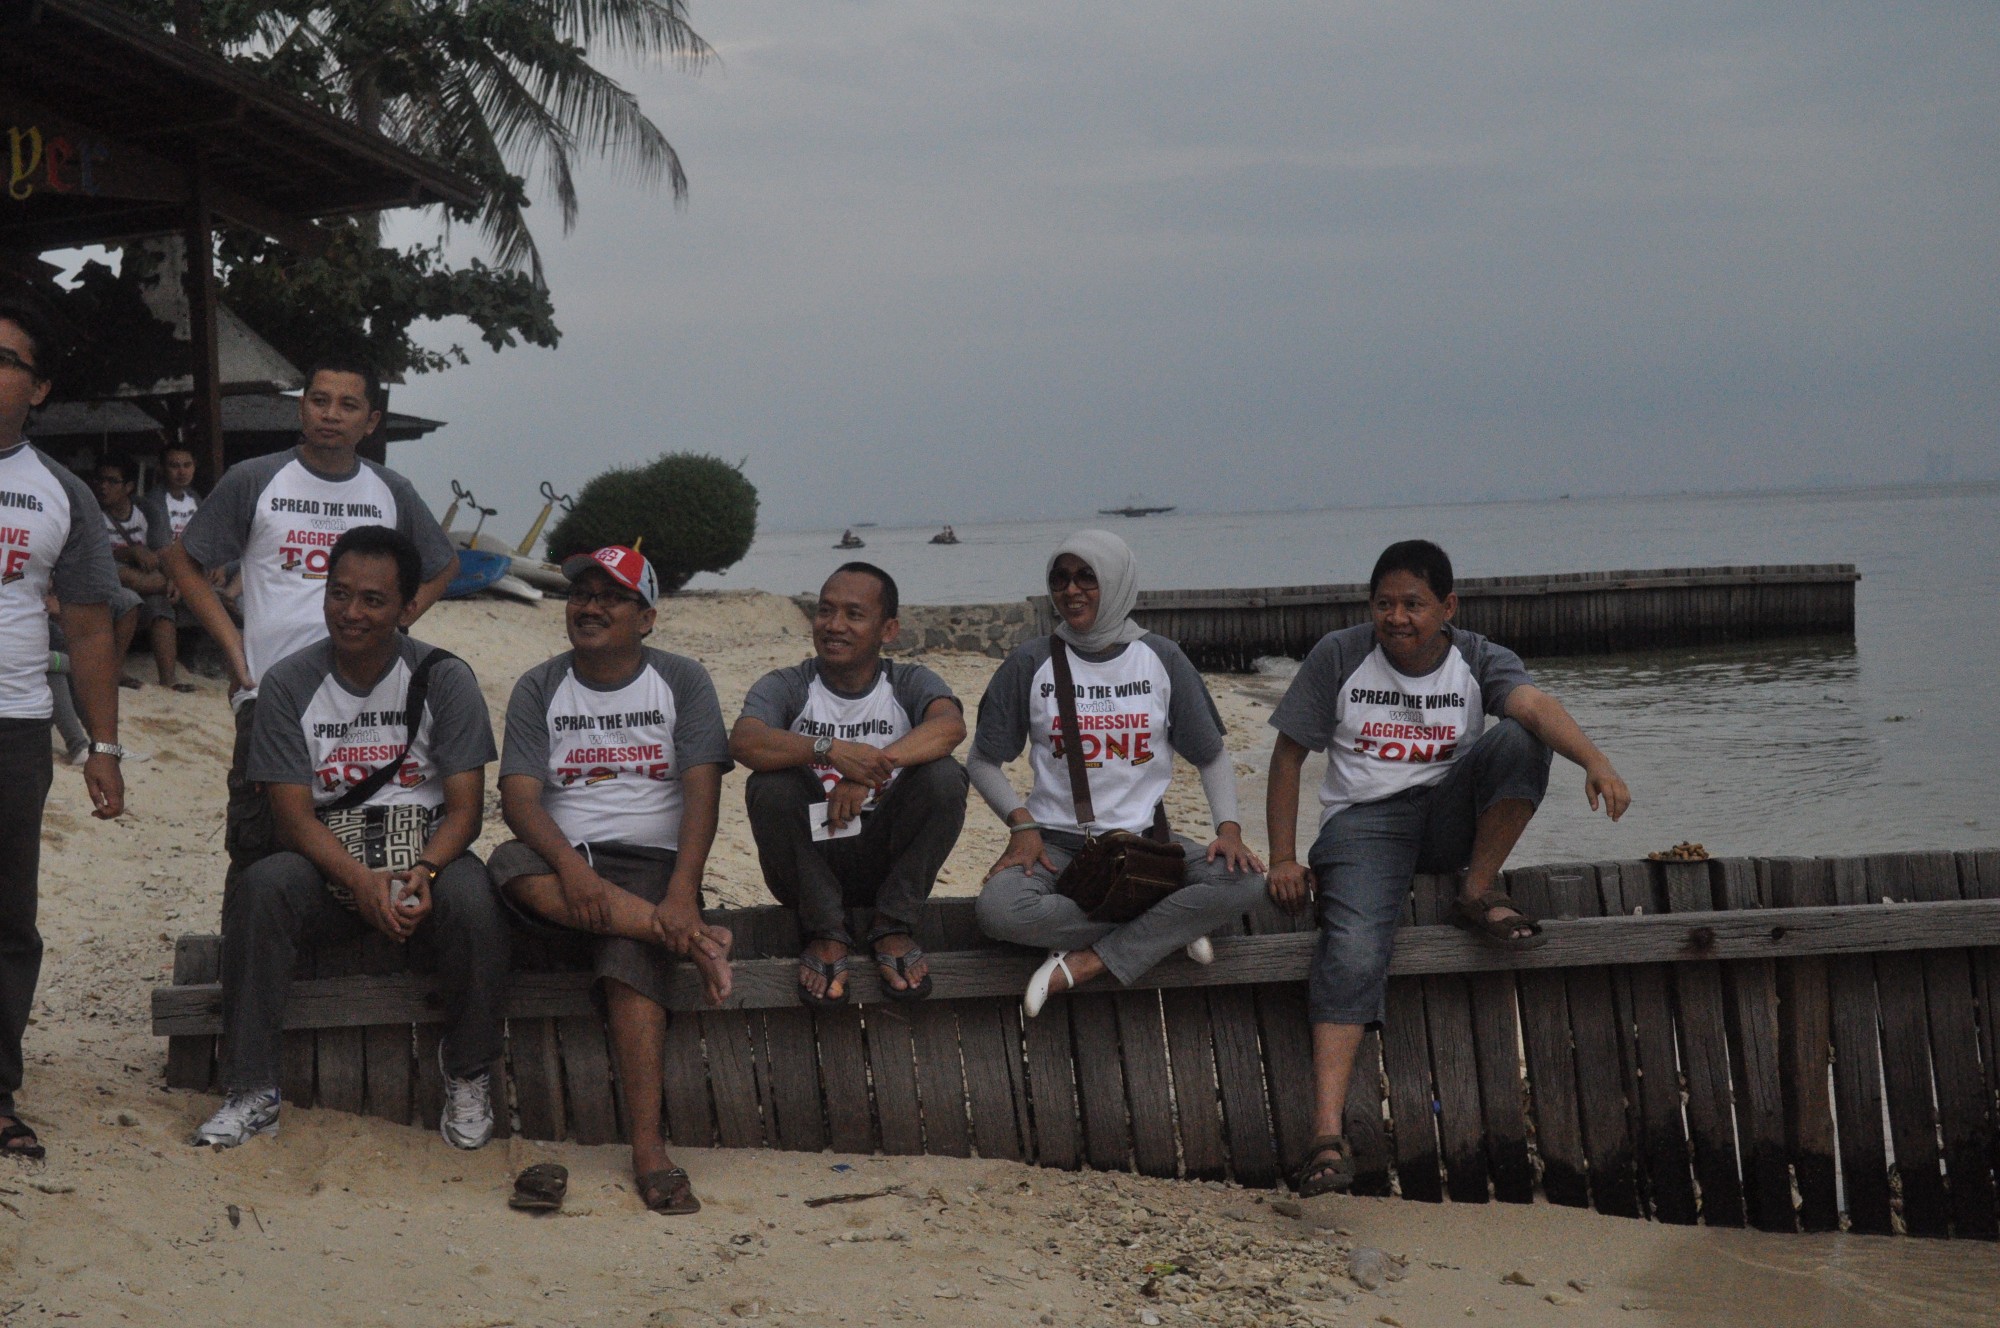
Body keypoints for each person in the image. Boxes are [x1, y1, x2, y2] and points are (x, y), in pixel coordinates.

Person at [1265, 539, 1632, 1198]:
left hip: (1446, 817)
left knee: (1521, 738)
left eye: (1413, 604)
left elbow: (1534, 706)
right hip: (1363, 825)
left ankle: (1476, 888)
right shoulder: (1340, 654)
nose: (1397, 618)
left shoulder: (1478, 656)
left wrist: (1596, 762)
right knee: (1352, 948)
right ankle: (1325, 1135)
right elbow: (1289, 756)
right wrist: (1285, 858)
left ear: (1447, 607)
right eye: (1384, 604)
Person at [192, 526, 506, 1149]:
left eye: (372, 600)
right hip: (329, 863)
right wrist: (361, 882)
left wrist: (426, 872)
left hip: (424, 857)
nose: (351, 613)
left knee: (475, 899)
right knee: (263, 886)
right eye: (339, 594)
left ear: (407, 607)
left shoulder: (444, 678)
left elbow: (466, 812)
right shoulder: (288, 684)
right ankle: (252, 1087)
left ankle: (468, 1071)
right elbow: (292, 817)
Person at [490, 545, 735, 1215]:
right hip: (566, 864)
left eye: (611, 597)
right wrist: (573, 868)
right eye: (581, 594)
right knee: (506, 863)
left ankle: (649, 1151)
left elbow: (703, 791)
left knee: (628, 957)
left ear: (646, 618)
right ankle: (694, 941)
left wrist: (682, 890)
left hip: (654, 863)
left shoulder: (682, 680)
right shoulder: (539, 686)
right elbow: (518, 800)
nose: (590, 607)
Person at [164, 357, 457, 905]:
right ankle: (245, 948)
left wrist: (399, 621)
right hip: (269, 692)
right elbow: (182, 562)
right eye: (319, 401)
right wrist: (234, 648)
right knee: (258, 841)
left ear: (370, 421)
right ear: (301, 408)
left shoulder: (390, 490)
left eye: (348, 405)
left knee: (354, 830)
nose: (331, 414)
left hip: (365, 696)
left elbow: (443, 564)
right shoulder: (255, 478)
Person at [972, 530, 1266, 1014]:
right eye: (1060, 578)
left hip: (1148, 844)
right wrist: (1021, 825)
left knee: (1245, 881)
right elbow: (982, 760)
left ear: (1115, 581)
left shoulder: (1162, 659)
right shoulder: (1031, 662)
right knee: (999, 911)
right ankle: (1167, 933)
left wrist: (1228, 830)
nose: (1071, 590)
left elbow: (1210, 755)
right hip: (1056, 847)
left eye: (1087, 577)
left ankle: (1090, 960)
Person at [0, 297, 128, 1161]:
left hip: (13, 725)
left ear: (38, 389)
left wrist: (102, 748)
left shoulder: (63, 494)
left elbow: (87, 631)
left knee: (7, 916)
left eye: (5, 359)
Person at [731, 562, 968, 1004]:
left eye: (854, 614)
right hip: (809, 862)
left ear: (888, 629)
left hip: (888, 859)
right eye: (825, 611)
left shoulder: (909, 682)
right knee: (770, 783)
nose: (834, 625)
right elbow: (745, 740)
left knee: (944, 777)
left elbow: (950, 727)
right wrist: (830, 750)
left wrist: (870, 773)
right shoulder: (788, 684)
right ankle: (826, 931)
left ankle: (892, 925)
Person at [94, 453, 194, 692]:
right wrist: (130, 553)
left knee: (160, 606)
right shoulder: (91, 511)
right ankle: (115, 671)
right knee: (128, 587)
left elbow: (163, 551)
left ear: (128, 486)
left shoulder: (146, 509)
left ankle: (169, 679)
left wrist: (172, 576)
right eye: (100, 480)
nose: (103, 487)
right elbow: (95, 555)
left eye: (111, 481)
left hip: (145, 575)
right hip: (105, 573)